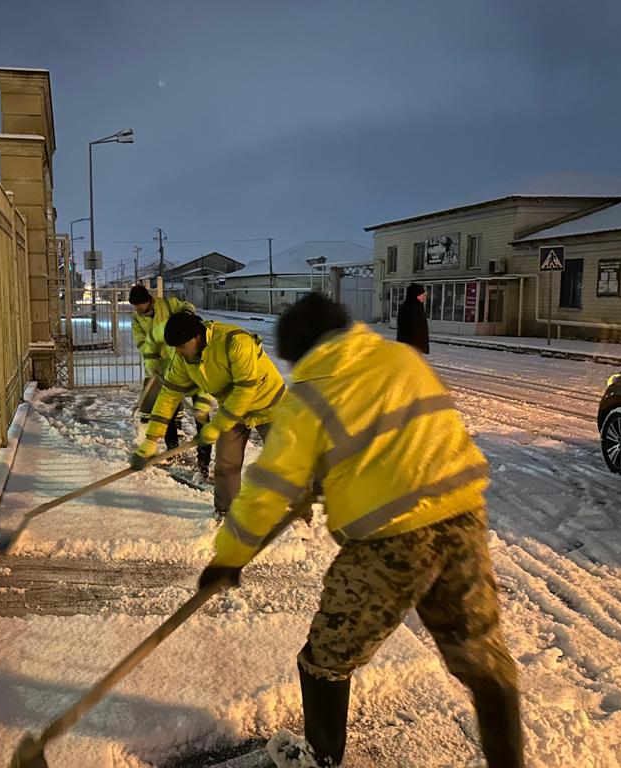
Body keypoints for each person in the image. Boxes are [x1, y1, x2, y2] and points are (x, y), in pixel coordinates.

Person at [199, 293, 523, 768]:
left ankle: (320, 757)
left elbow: (267, 490)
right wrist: (322, 476)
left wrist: (227, 558)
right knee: (481, 659)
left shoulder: (310, 394)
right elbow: (390, 439)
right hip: (463, 518)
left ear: (302, 351)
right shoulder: (400, 359)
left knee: (325, 658)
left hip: (391, 543)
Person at [131, 313, 286, 520]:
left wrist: (216, 426)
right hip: (233, 412)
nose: (177, 352)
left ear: (196, 337)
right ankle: (225, 512)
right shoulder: (184, 358)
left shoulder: (235, 341)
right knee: (225, 464)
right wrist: (150, 440)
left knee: (284, 463)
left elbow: (244, 391)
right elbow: (168, 396)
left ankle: (300, 513)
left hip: (269, 405)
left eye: (181, 346)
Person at [128, 285, 212, 475]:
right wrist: (153, 362)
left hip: (193, 365)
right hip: (168, 369)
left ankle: (204, 463)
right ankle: (172, 450)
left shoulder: (168, 304)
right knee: (168, 412)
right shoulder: (138, 321)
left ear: (149, 299)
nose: (138, 309)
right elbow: (144, 344)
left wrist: (186, 314)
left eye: (140, 304)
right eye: (135, 306)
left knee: (202, 416)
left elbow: (187, 306)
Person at [396, 282, 429, 354]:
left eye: (424, 295)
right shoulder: (409, 308)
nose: (424, 297)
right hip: (411, 346)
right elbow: (406, 330)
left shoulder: (418, 307)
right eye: (422, 295)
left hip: (416, 345)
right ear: (415, 295)